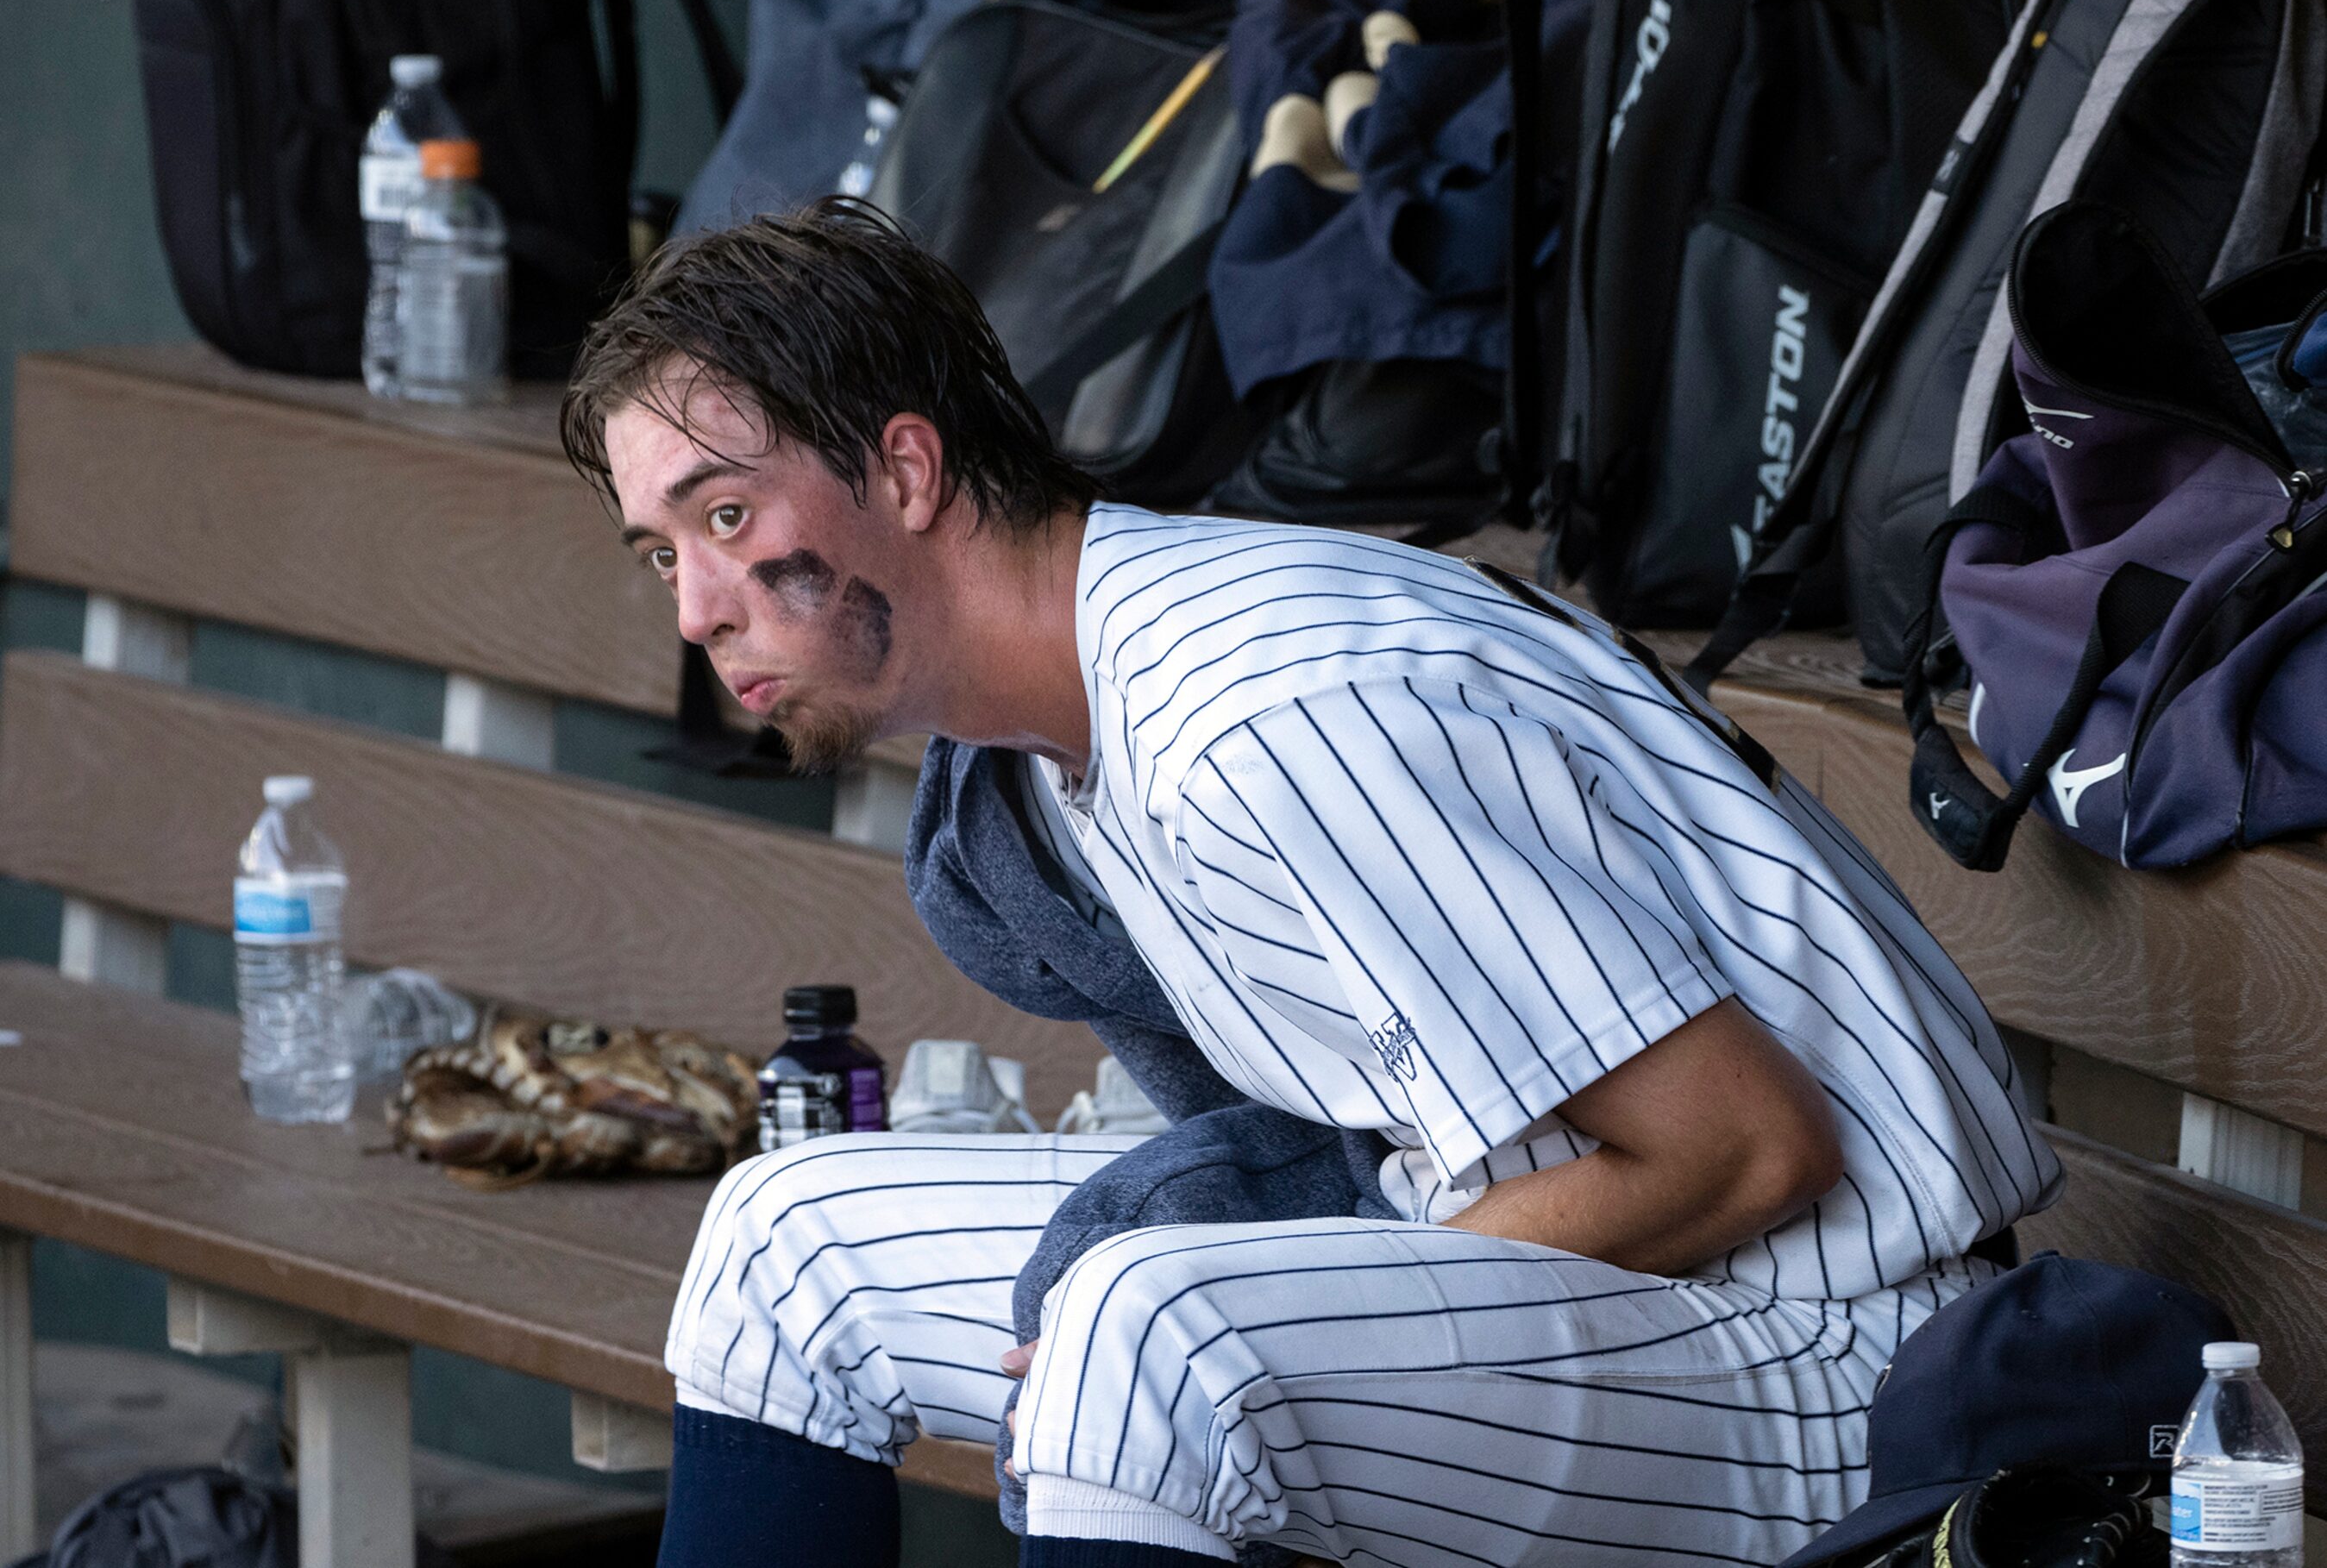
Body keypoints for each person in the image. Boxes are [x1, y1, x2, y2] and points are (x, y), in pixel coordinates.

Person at [560, 198, 2061, 1568]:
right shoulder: (1061, 724)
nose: (696, 607)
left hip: (1834, 1353)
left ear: (904, 466)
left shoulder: (1259, 708)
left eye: (728, 515)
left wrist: (1290, 1296)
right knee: (792, 1234)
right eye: (656, 552)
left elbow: (1741, 1150)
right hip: (1598, 1296)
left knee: (1140, 1331)